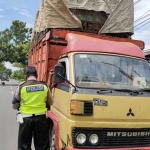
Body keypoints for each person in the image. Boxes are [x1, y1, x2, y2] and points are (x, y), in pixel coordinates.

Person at [12, 66, 54, 150]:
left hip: (25, 120)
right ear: (36, 75)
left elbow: (14, 105)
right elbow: (51, 102)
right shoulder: (44, 86)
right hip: (41, 119)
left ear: (26, 76)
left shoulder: (21, 87)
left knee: (24, 146)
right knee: (42, 146)